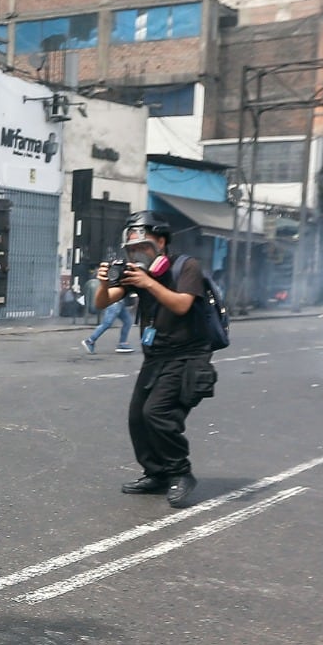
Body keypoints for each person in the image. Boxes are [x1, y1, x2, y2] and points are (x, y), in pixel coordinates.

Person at [91, 211, 215, 508]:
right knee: (137, 417)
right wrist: (104, 282)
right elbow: (102, 302)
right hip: (156, 357)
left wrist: (148, 284)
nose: (137, 255)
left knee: (157, 414)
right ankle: (156, 473)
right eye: (132, 250)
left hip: (187, 357)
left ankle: (181, 473)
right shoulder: (140, 275)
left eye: (143, 248)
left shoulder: (186, 267)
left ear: (161, 242)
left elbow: (182, 305)